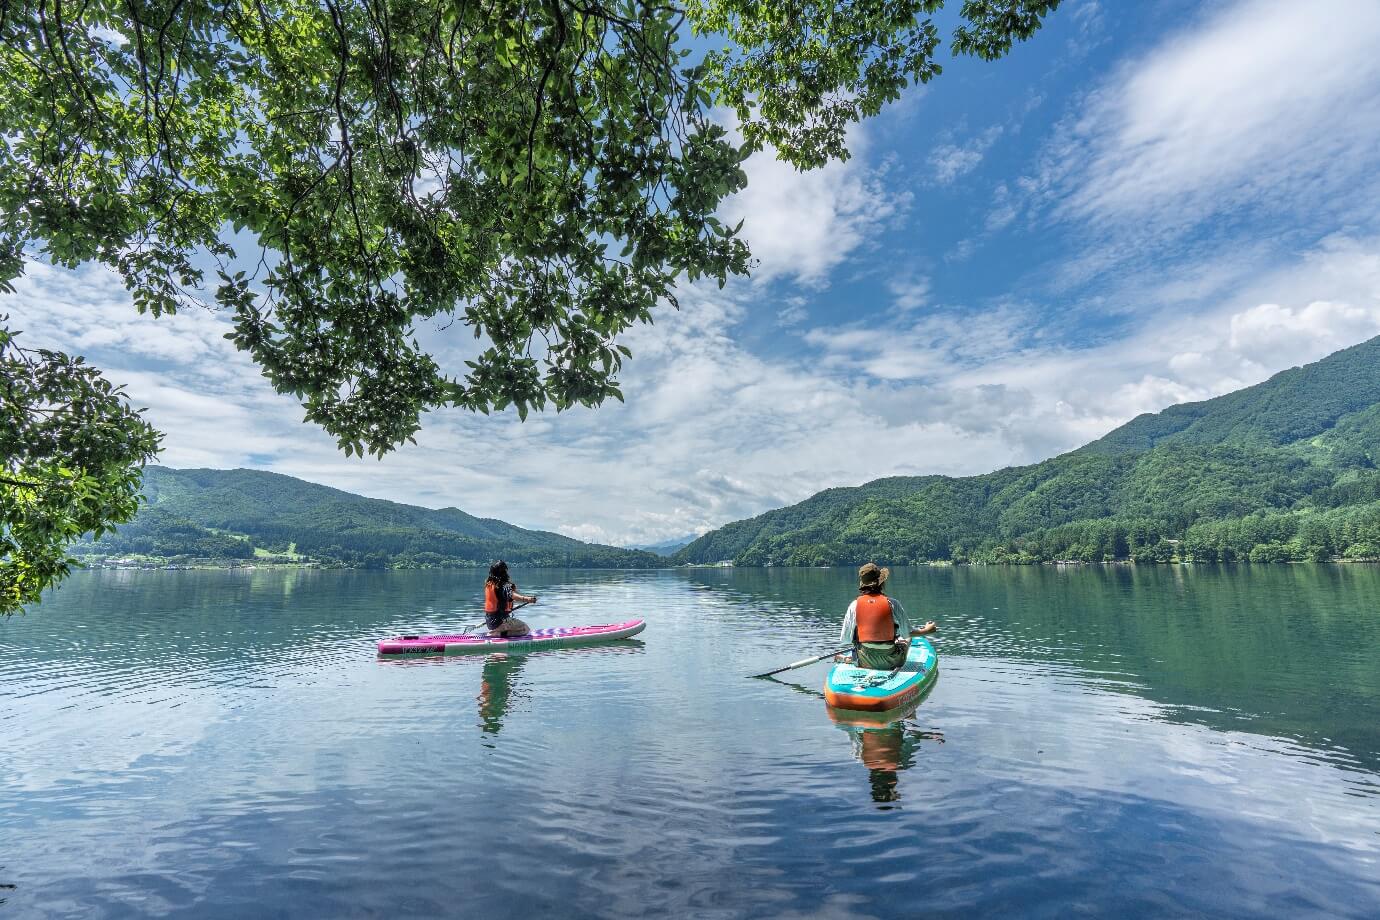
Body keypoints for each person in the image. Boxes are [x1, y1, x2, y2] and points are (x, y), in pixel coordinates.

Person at [838, 563, 936, 670]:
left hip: (864, 660)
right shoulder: (893, 603)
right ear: (882, 583)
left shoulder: (854, 605)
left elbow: (845, 639)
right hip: (892, 661)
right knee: (907, 638)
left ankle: (851, 659)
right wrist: (927, 630)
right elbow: (908, 633)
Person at [484, 560, 538, 637]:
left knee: (510, 623)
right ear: (504, 571)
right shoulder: (503, 585)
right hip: (501, 621)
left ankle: (498, 631)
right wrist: (527, 599)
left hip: (490, 622)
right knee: (525, 629)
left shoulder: (490, 584)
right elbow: (511, 595)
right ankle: (497, 634)